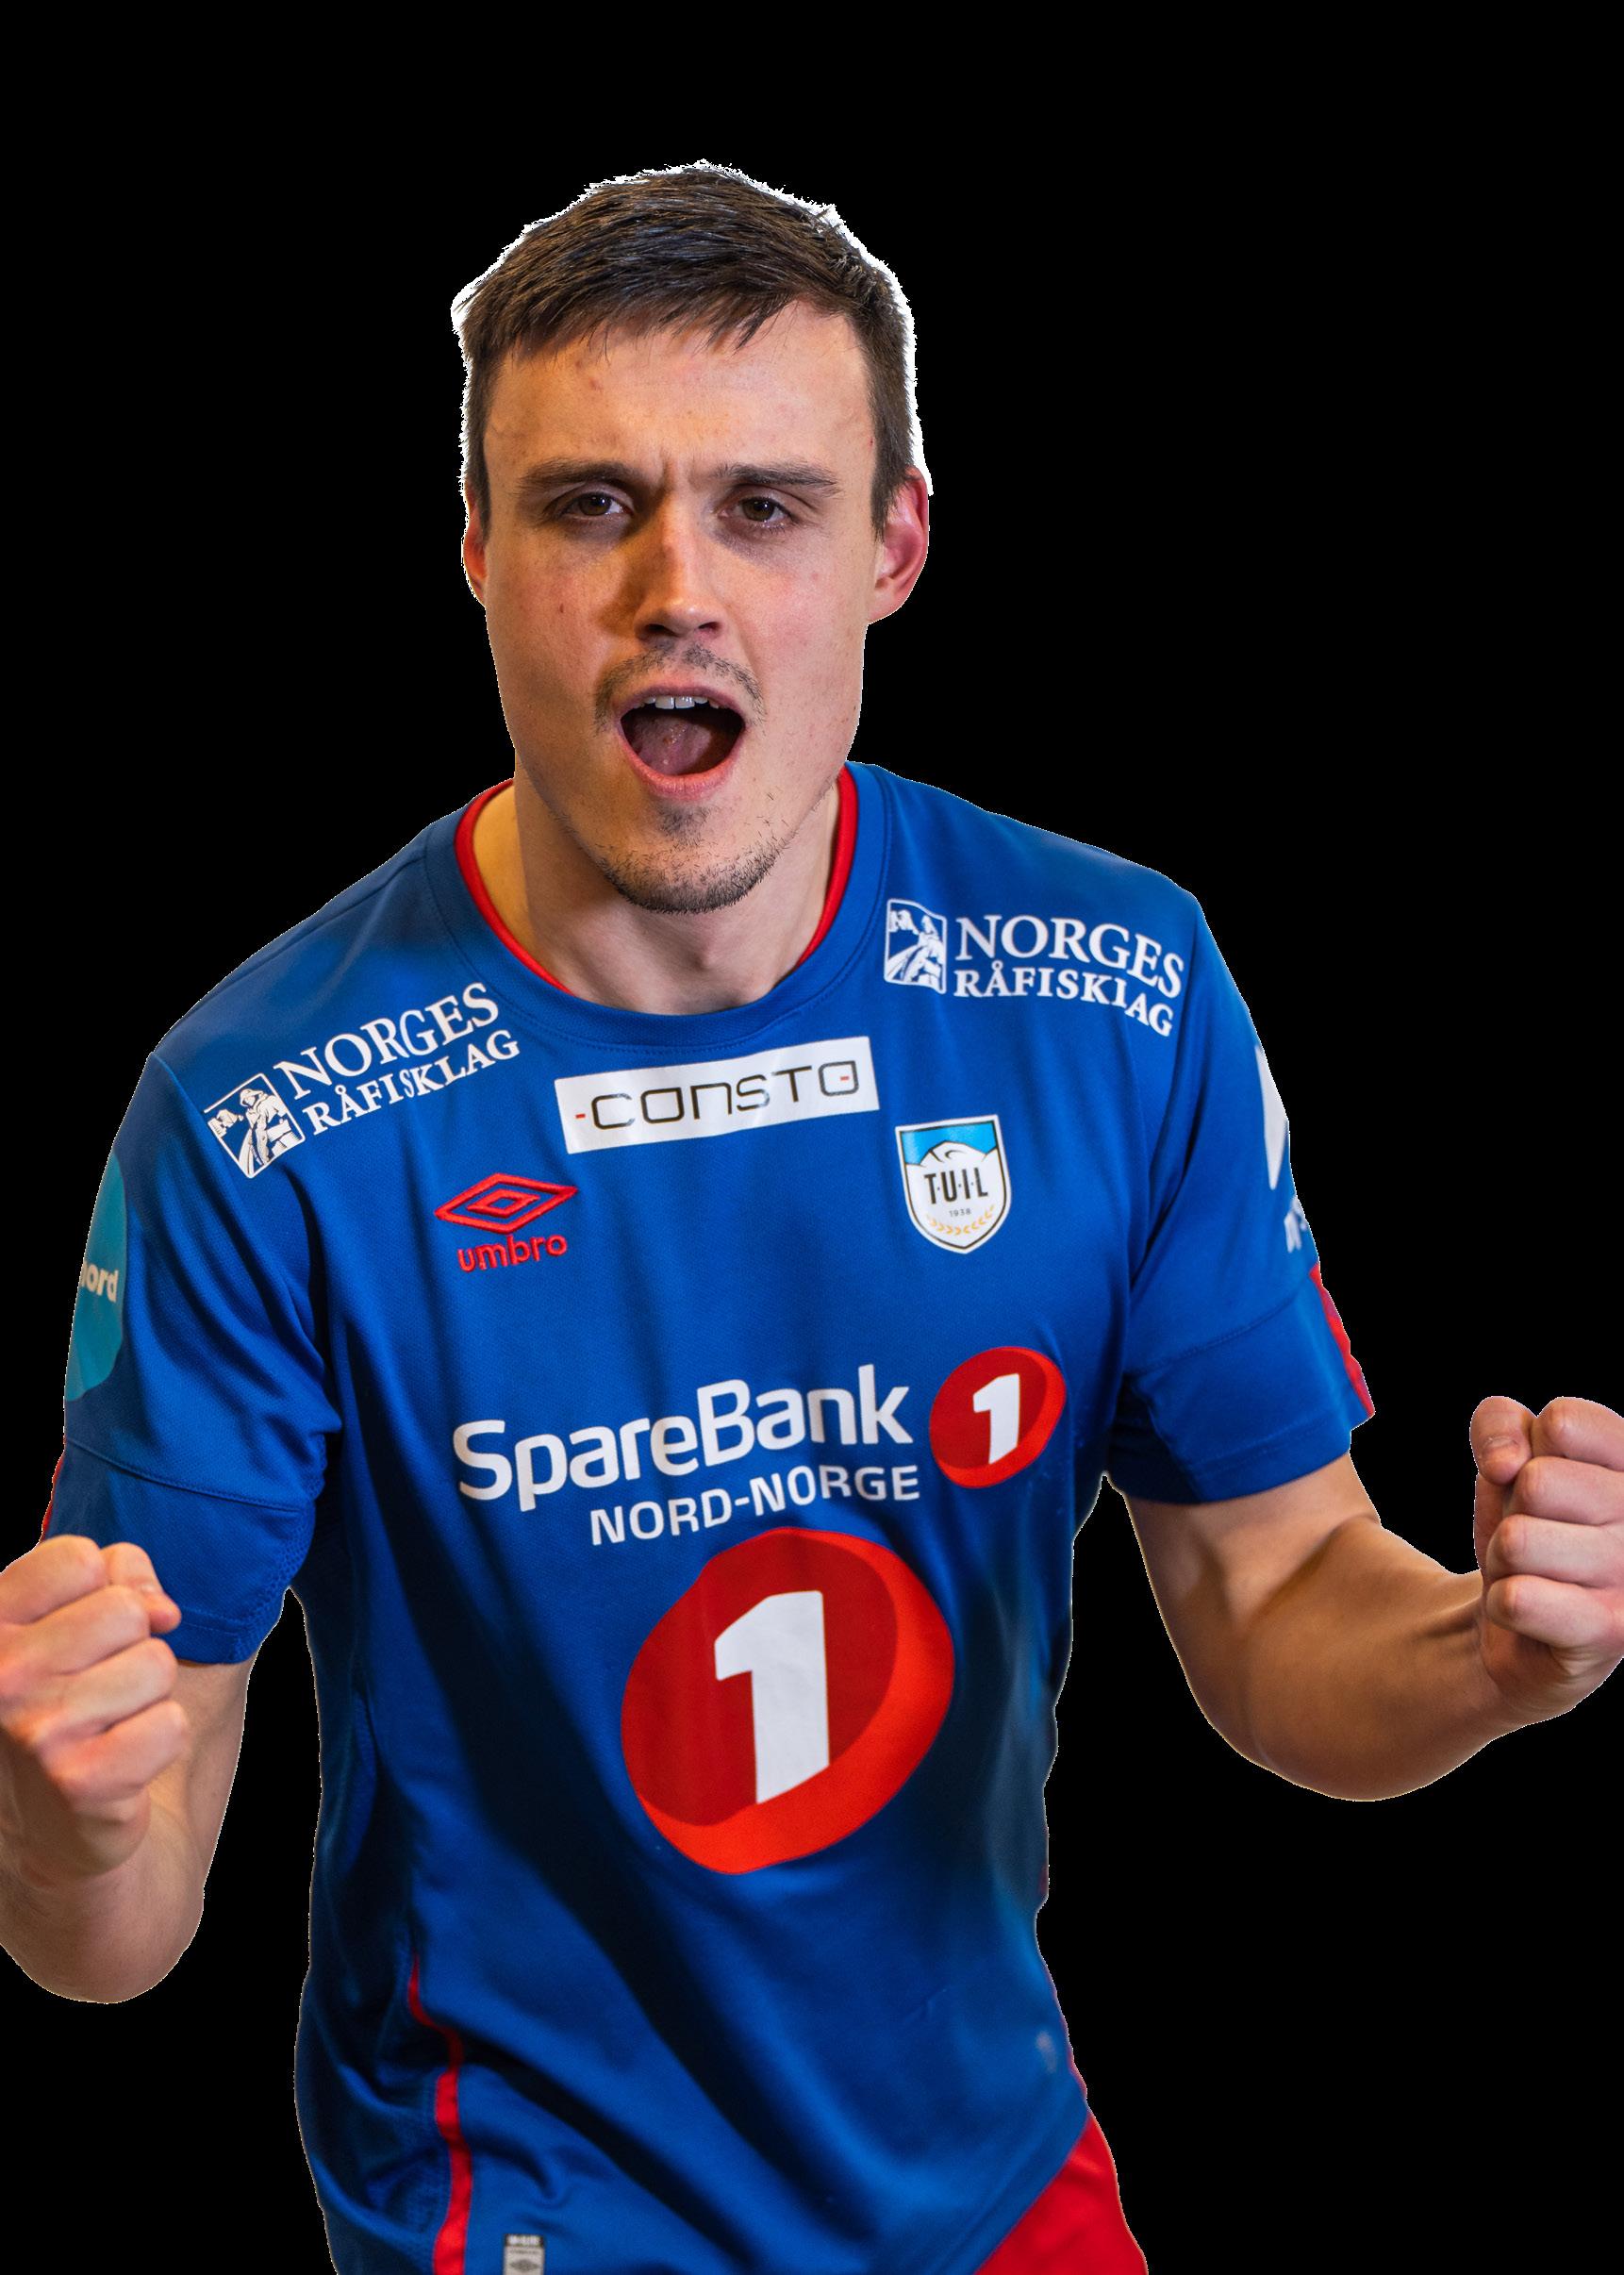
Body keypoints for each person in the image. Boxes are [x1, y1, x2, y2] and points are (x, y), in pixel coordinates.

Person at [4, 160, 1619, 2275]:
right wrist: (61, 1822)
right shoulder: (262, 1112)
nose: (676, 586)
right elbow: (112, 1930)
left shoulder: (1114, 991)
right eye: (591, 505)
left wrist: (1482, 1657)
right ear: (476, 548)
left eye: (765, 505)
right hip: (529, 2217)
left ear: (893, 546)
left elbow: (1276, 1596)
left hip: (989, 2174)